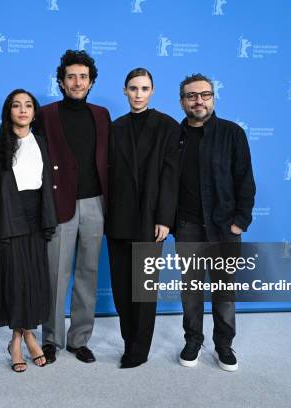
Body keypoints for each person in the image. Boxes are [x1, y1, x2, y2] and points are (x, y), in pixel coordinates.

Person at [174, 73, 255, 372]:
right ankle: (194, 340)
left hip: (224, 227)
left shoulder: (233, 133)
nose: (199, 101)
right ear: (182, 101)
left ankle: (224, 345)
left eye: (205, 95)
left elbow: (245, 180)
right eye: (192, 96)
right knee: (191, 289)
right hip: (188, 227)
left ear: (213, 98)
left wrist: (239, 223)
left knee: (224, 290)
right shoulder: (174, 135)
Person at [34, 50, 110, 364]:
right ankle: (51, 339)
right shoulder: (46, 114)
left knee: (88, 272)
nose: (77, 82)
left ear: (91, 82)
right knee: (55, 274)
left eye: (83, 77)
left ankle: (80, 339)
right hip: (58, 202)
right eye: (71, 77)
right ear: (61, 82)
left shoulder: (102, 114)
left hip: (96, 203)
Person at [106, 68, 182, 368]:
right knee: (122, 288)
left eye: (144, 88)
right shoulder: (115, 127)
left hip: (150, 219)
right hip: (118, 219)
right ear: (125, 90)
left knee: (144, 289)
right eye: (133, 88)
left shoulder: (168, 126)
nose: (138, 94)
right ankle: (128, 341)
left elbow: (170, 177)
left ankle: (139, 350)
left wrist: (165, 218)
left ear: (152, 92)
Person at [0, 89, 57, 372]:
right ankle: (19, 338)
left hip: (37, 216)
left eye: (28, 105)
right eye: (16, 105)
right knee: (14, 279)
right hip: (8, 218)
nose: (23, 110)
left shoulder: (41, 143)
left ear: (34, 112)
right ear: (8, 112)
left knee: (32, 279)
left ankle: (25, 334)